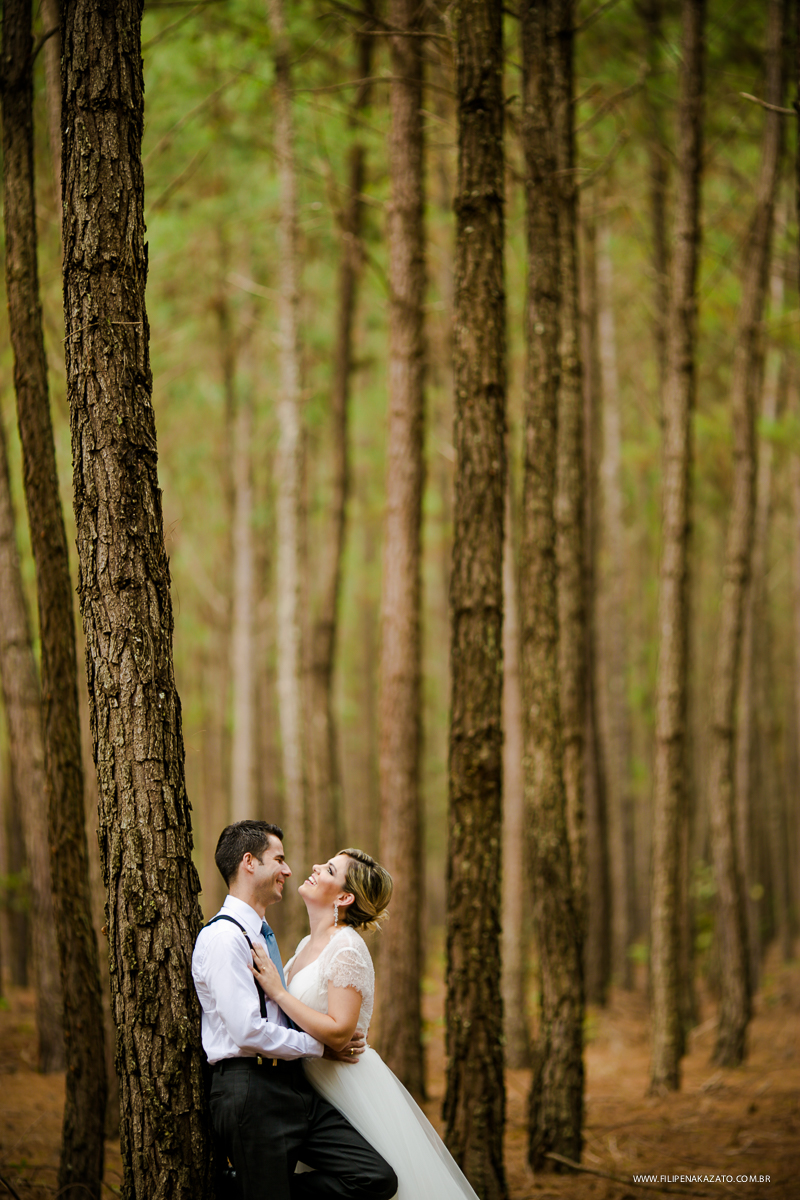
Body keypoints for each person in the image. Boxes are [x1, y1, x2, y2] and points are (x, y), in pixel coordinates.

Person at [250, 847, 481, 1200]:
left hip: (347, 1087)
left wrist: (279, 993)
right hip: (310, 1086)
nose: (314, 867)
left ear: (344, 896)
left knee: (374, 1180)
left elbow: (341, 1031)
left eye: (328, 869)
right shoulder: (306, 945)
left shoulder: (347, 948)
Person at [191, 820, 398, 1200]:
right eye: (279, 859)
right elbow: (247, 1030)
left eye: (329, 868)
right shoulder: (224, 938)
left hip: (295, 1088)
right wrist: (320, 1047)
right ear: (250, 863)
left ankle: (245, 1188)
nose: (291, 869)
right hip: (251, 1089)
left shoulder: (263, 935)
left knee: (375, 1177)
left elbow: (285, 1011)